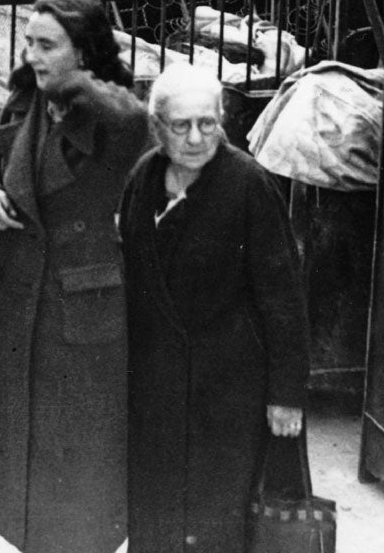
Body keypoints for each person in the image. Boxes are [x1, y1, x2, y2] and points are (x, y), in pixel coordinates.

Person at [0, 0, 150, 553]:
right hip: (14, 287)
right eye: (29, 43)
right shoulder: (26, 97)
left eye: (46, 45)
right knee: (13, 445)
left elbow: (136, 121)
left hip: (78, 302)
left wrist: (74, 83)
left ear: (83, 52)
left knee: (73, 453)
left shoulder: (112, 113)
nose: (31, 55)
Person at [120, 63, 311, 553]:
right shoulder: (143, 179)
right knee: (158, 512)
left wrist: (286, 393)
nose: (196, 136)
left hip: (228, 391)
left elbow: (283, 296)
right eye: (181, 125)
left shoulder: (247, 185)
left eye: (207, 122)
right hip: (159, 387)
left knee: (218, 519)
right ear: (157, 127)